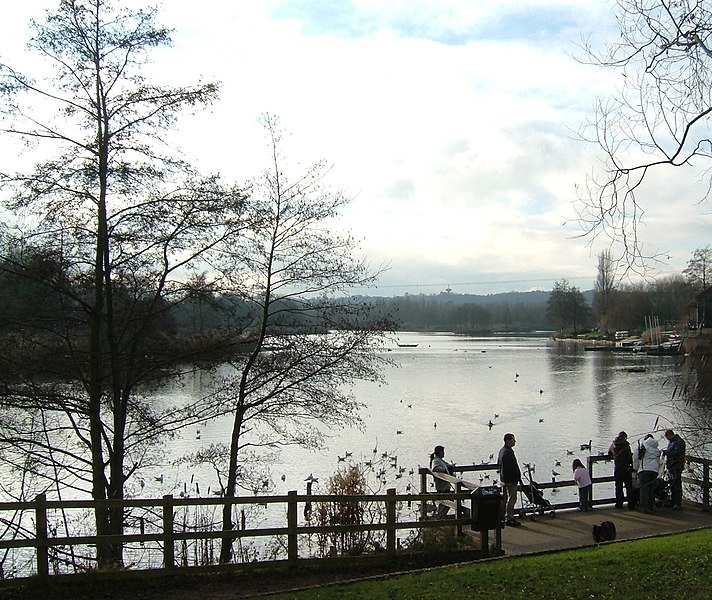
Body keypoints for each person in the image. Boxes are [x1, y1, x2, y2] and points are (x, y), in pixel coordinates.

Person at [497, 433, 522, 526]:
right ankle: (509, 518)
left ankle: (501, 516)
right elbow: (513, 466)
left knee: (504, 499)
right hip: (510, 480)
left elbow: (498, 464)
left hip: (503, 479)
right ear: (508, 440)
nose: (515, 441)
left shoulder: (501, 451)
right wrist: (517, 477)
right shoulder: (509, 452)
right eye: (513, 439)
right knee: (512, 499)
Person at [608, 431, 636, 509]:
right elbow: (630, 458)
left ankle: (619, 504)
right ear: (625, 437)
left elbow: (609, 453)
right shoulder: (626, 445)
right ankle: (631, 504)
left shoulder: (614, 444)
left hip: (617, 468)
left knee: (618, 487)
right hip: (626, 468)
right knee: (629, 487)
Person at [635, 434, 662, 514]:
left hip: (644, 470)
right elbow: (658, 461)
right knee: (651, 489)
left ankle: (645, 508)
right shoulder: (656, 449)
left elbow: (636, 458)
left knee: (644, 489)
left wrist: (636, 469)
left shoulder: (642, 447)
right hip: (654, 470)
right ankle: (651, 507)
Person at [662, 429, 686, 510]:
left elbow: (678, 453)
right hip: (671, 466)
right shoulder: (672, 442)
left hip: (676, 466)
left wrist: (667, 452)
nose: (667, 439)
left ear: (670, 435)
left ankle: (677, 503)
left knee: (676, 485)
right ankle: (673, 501)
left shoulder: (679, 442)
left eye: (667, 437)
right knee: (672, 484)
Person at [429, 445, 455, 518]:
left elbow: (446, 465)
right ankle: (440, 517)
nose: (444, 453)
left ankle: (439, 518)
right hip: (442, 486)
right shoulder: (436, 460)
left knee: (444, 503)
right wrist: (443, 470)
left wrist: (450, 467)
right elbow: (435, 468)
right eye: (443, 452)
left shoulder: (440, 460)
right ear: (440, 452)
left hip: (444, 485)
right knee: (446, 502)